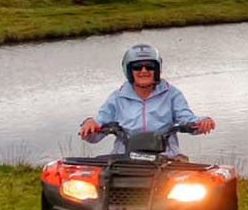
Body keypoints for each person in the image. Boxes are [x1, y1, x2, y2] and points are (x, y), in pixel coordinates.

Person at [79, 44, 214, 157]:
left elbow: (187, 118)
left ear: (157, 69)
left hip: (166, 159)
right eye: (137, 67)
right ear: (128, 70)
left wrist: (202, 122)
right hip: (124, 159)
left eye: (150, 66)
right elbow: (99, 124)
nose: (144, 71)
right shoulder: (117, 97)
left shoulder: (172, 94)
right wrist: (89, 126)